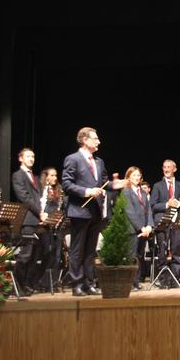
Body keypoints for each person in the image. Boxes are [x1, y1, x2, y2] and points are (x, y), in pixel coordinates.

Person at [62, 127, 124, 297]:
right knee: (77, 250)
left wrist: (117, 184)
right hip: (80, 211)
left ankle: (88, 283)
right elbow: (67, 184)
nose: (99, 141)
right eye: (95, 138)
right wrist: (87, 191)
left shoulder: (99, 162)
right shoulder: (72, 159)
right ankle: (77, 284)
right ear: (84, 140)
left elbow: (105, 183)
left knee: (90, 251)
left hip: (95, 212)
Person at [12, 148, 48, 296]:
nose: (31, 159)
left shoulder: (34, 176)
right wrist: (39, 212)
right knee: (26, 254)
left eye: (33, 156)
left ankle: (27, 284)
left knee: (35, 256)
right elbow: (24, 197)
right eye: (28, 156)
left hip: (37, 220)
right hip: (27, 219)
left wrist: (43, 212)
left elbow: (39, 198)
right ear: (20, 158)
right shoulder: (18, 175)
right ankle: (18, 284)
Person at [150, 159, 180, 286]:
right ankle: (163, 280)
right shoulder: (157, 186)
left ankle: (174, 280)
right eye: (164, 167)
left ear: (174, 169)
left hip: (176, 222)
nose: (166, 169)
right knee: (162, 251)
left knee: (176, 250)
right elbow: (153, 206)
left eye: (168, 167)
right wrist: (167, 204)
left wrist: (179, 204)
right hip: (162, 222)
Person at [122, 166, 153, 290]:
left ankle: (136, 282)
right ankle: (130, 283)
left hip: (144, 230)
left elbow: (149, 211)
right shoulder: (126, 191)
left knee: (139, 256)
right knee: (131, 256)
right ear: (128, 177)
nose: (136, 178)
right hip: (132, 230)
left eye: (138, 175)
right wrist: (141, 228)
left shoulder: (143, 192)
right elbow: (129, 212)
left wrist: (150, 226)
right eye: (133, 175)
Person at [37, 167, 66, 290]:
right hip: (45, 227)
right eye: (52, 175)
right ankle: (42, 282)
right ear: (46, 176)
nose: (55, 178)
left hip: (57, 226)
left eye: (55, 175)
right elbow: (40, 207)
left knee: (57, 255)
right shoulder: (42, 190)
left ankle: (52, 282)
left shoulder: (59, 191)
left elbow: (61, 208)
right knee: (47, 253)